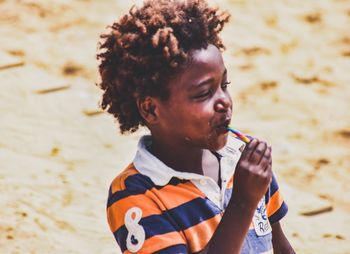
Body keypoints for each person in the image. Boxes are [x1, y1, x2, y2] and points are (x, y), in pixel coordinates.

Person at [97, 0, 295, 253]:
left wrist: (252, 191)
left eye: (224, 85)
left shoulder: (243, 159)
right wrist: (243, 203)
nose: (223, 101)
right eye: (204, 94)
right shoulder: (136, 195)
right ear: (151, 109)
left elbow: (279, 244)